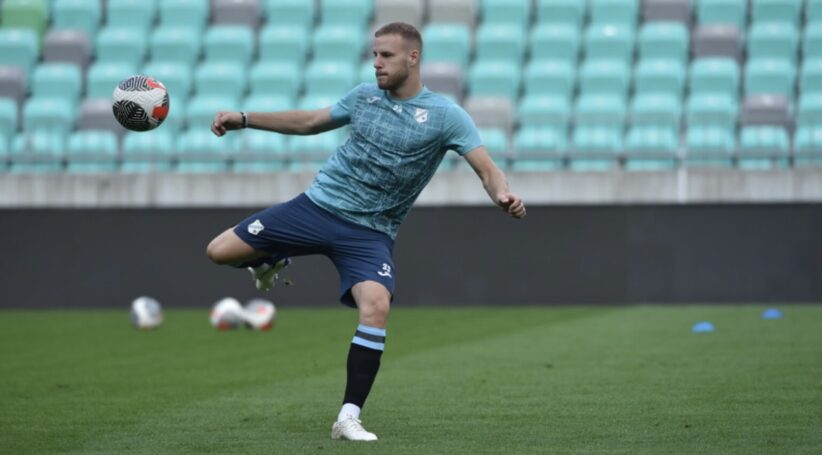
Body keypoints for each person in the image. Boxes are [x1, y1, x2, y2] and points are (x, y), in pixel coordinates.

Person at [206, 22, 526, 442]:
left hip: (369, 234)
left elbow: (487, 169)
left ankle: (348, 417)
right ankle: (272, 257)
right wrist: (245, 119)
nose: (377, 63)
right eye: (375, 54)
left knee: (376, 305)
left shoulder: (446, 116)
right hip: (316, 207)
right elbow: (309, 121)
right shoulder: (363, 96)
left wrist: (502, 194)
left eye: (386, 55)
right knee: (219, 251)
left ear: (413, 58)